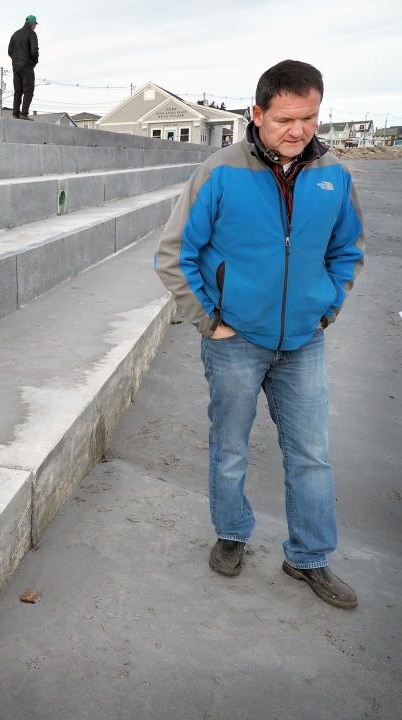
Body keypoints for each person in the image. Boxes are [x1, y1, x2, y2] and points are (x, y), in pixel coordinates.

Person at [155, 60, 365, 609]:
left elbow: (347, 250)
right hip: (236, 342)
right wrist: (210, 321)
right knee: (229, 446)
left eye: (311, 118)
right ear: (257, 114)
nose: (299, 131)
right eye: (285, 120)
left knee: (311, 455)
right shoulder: (220, 171)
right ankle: (231, 535)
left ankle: (309, 557)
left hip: (303, 342)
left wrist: (329, 307)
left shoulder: (334, 175)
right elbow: (176, 255)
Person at [7, 15, 39, 120]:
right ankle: (24, 114)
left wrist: (15, 60)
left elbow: (9, 51)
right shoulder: (32, 34)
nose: (35, 27)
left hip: (16, 67)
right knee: (28, 90)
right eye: (35, 25)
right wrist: (34, 61)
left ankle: (15, 113)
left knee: (18, 90)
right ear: (32, 24)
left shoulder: (15, 34)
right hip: (27, 66)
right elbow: (34, 51)